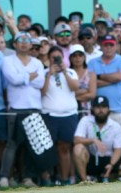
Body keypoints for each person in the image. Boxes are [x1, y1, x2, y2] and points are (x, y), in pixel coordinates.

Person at [0, 33, 46, 188]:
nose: (24, 44)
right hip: (16, 109)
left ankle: (27, 178)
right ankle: (5, 176)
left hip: (34, 108)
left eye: (27, 41)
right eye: (21, 41)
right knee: (12, 144)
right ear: (15, 44)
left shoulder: (37, 62)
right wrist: (29, 77)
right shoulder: (7, 60)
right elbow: (12, 79)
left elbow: (40, 82)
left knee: (31, 145)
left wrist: (24, 78)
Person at [72, 96, 121, 183]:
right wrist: (93, 140)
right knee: (78, 148)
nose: (101, 110)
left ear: (108, 109)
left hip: (108, 159)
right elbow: (76, 140)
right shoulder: (85, 120)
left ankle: (109, 176)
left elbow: (118, 149)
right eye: (98, 107)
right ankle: (85, 181)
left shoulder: (115, 126)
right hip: (91, 158)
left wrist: (111, 164)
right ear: (93, 109)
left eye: (104, 107)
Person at [40, 46, 79, 185]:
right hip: (49, 115)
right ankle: (47, 178)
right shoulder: (44, 73)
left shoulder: (71, 72)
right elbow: (41, 92)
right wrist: (49, 75)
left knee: (64, 147)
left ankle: (64, 178)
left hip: (68, 115)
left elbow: (75, 87)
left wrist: (64, 73)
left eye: (59, 57)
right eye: (53, 58)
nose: (56, 60)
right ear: (48, 59)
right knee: (47, 148)